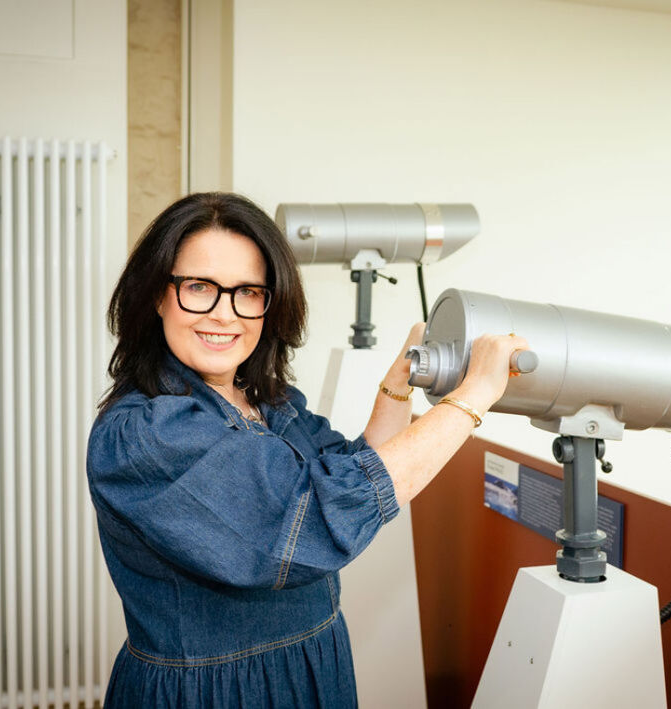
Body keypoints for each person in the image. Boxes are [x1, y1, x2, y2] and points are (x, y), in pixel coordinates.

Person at [87, 192, 526, 707]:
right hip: (216, 693)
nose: (224, 314)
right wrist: (473, 396)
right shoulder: (148, 434)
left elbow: (350, 475)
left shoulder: (266, 401)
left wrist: (399, 383)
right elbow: (318, 519)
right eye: (199, 287)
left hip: (311, 667)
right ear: (158, 295)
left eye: (247, 292)